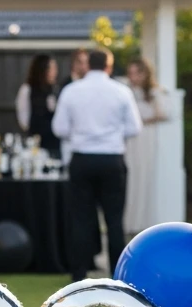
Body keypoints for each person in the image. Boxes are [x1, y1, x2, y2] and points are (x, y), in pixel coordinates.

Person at [52, 49, 142, 281]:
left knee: (80, 219)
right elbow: (134, 128)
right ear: (108, 67)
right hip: (112, 159)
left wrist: (81, 133)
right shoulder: (121, 91)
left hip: (82, 159)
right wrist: (111, 134)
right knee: (114, 221)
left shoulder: (71, 91)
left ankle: (78, 276)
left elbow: (59, 128)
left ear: (87, 65)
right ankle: (117, 276)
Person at [121, 58, 170, 239]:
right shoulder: (125, 91)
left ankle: (142, 222)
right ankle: (128, 222)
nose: (133, 77)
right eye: (131, 73)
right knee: (130, 179)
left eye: (137, 73)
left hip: (146, 139)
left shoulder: (155, 92)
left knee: (144, 178)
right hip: (129, 140)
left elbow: (163, 113)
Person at [15, 54, 60, 156]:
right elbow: (24, 119)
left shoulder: (55, 90)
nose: (55, 72)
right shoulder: (28, 90)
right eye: (52, 69)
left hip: (54, 144)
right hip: (36, 143)